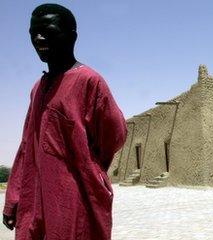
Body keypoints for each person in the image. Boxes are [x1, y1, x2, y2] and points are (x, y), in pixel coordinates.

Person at [3, 4, 127, 239]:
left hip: (74, 199)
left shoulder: (89, 82)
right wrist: (14, 198)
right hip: (36, 199)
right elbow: (27, 147)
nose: (39, 38)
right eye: (33, 32)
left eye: (48, 30)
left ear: (72, 36)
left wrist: (87, 167)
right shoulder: (38, 89)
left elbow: (115, 134)